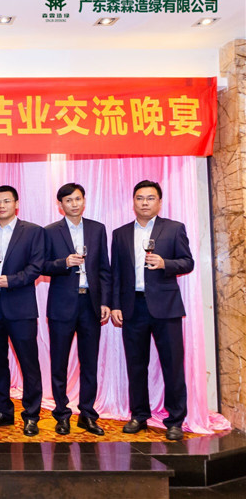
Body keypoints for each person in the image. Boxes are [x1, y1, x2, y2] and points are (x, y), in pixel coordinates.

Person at [110, 180, 194, 441]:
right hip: (132, 307)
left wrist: (165, 263)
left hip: (166, 307)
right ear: (133, 202)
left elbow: (187, 262)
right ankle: (139, 415)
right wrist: (115, 305)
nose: (144, 203)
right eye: (139, 198)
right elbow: (116, 273)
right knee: (136, 365)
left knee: (173, 365)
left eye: (150, 198)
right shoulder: (120, 233)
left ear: (159, 201)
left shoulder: (174, 228)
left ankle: (175, 420)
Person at [42, 183, 111, 436]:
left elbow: (104, 269)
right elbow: (42, 266)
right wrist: (64, 262)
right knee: (59, 363)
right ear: (60, 205)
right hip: (61, 305)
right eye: (68, 200)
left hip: (90, 304)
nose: (74, 204)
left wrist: (105, 301)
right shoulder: (50, 231)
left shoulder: (97, 229)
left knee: (89, 362)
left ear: (84, 200)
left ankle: (88, 414)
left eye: (78, 199)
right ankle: (61, 414)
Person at [0, 185, 45, 436]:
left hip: (21, 307)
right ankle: (3, 411)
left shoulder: (33, 231)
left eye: (6, 201)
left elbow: (36, 266)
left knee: (29, 363)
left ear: (16, 203)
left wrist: (11, 280)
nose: (1, 205)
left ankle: (32, 415)